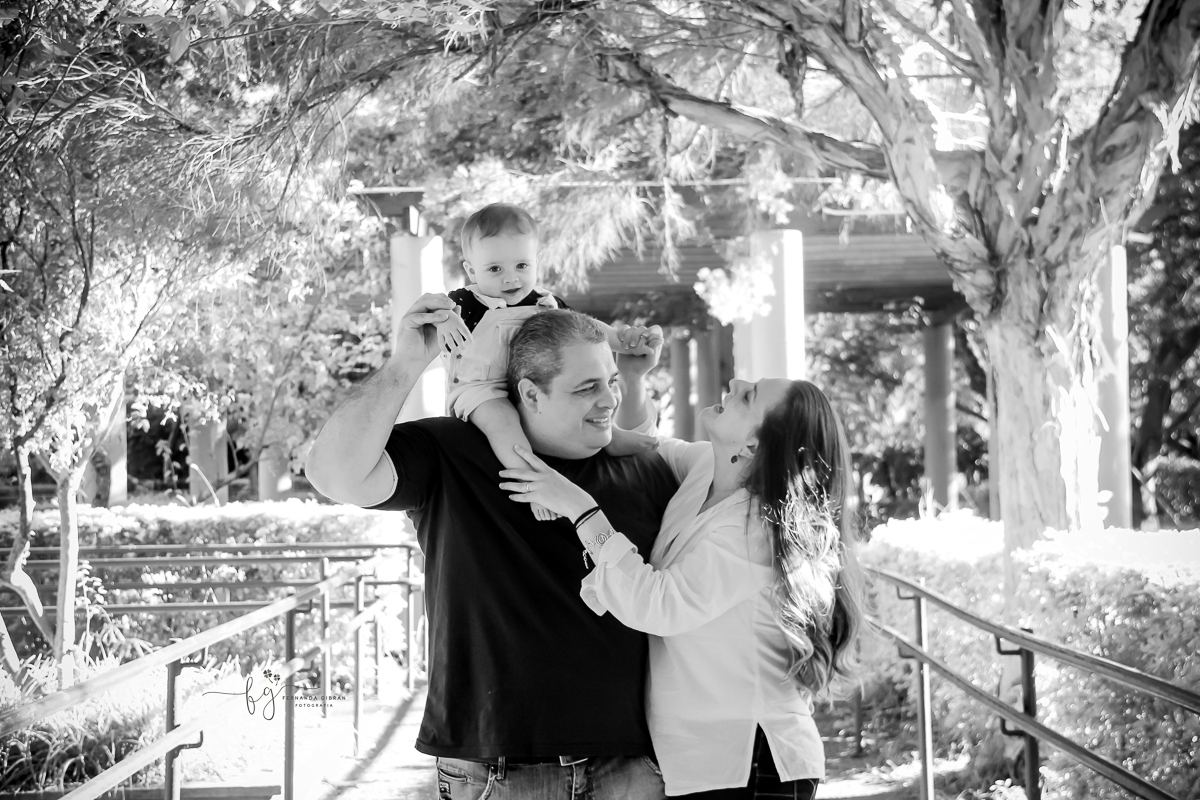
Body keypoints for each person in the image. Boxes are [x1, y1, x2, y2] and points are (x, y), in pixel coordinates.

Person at [305, 301, 674, 800]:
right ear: (530, 393)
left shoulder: (645, 468)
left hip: (630, 766)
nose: (608, 399)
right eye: (586, 387)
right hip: (493, 772)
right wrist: (405, 365)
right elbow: (333, 474)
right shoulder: (452, 451)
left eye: (610, 382)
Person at [499, 379, 867, 798]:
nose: (735, 383)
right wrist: (630, 381)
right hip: (710, 763)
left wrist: (580, 509)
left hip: (750, 759)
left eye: (748, 396)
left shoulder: (756, 530)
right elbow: (647, 447)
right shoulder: (706, 468)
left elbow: (657, 605)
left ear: (751, 446)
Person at [436, 202, 656, 519]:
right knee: (503, 424)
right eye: (495, 269)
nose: (511, 279)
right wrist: (444, 320)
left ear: (536, 262)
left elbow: (585, 327)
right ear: (471, 271)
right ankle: (534, 486)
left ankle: (613, 437)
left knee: (584, 396)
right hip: (480, 389)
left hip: (532, 382)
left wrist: (622, 340)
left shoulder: (544, 301)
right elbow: (432, 314)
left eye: (521, 266)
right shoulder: (466, 302)